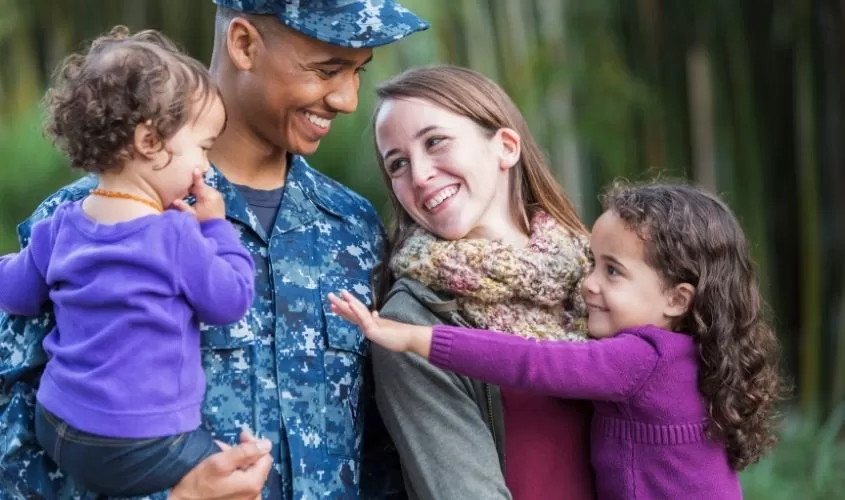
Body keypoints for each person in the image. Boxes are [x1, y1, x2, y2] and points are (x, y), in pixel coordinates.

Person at [0, 1, 429, 499]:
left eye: (357, 72)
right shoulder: (84, 221)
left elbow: (380, 449)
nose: (348, 99)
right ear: (244, 43)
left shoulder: (353, 227)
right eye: (327, 69)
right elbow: (16, 450)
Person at [330, 181, 785, 500]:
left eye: (612, 271)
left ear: (676, 298)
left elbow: (533, 362)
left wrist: (415, 337)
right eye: (593, 264)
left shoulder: (642, 359)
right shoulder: (694, 357)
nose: (587, 284)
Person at [0, 26, 261, 497]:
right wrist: (217, 228)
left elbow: (15, 294)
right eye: (202, 147)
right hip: (140, 445)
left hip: (56, 425)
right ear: (148, 141)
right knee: (245, 476)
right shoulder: (176, 234)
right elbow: (231, 300)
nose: (207, 166)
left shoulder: (59, 226)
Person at [365, 65, 597, 499]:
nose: (419, 175)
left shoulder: (599, 279)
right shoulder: (411, 326)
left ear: (505, 146)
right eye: (397, 163)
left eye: (435, 142)